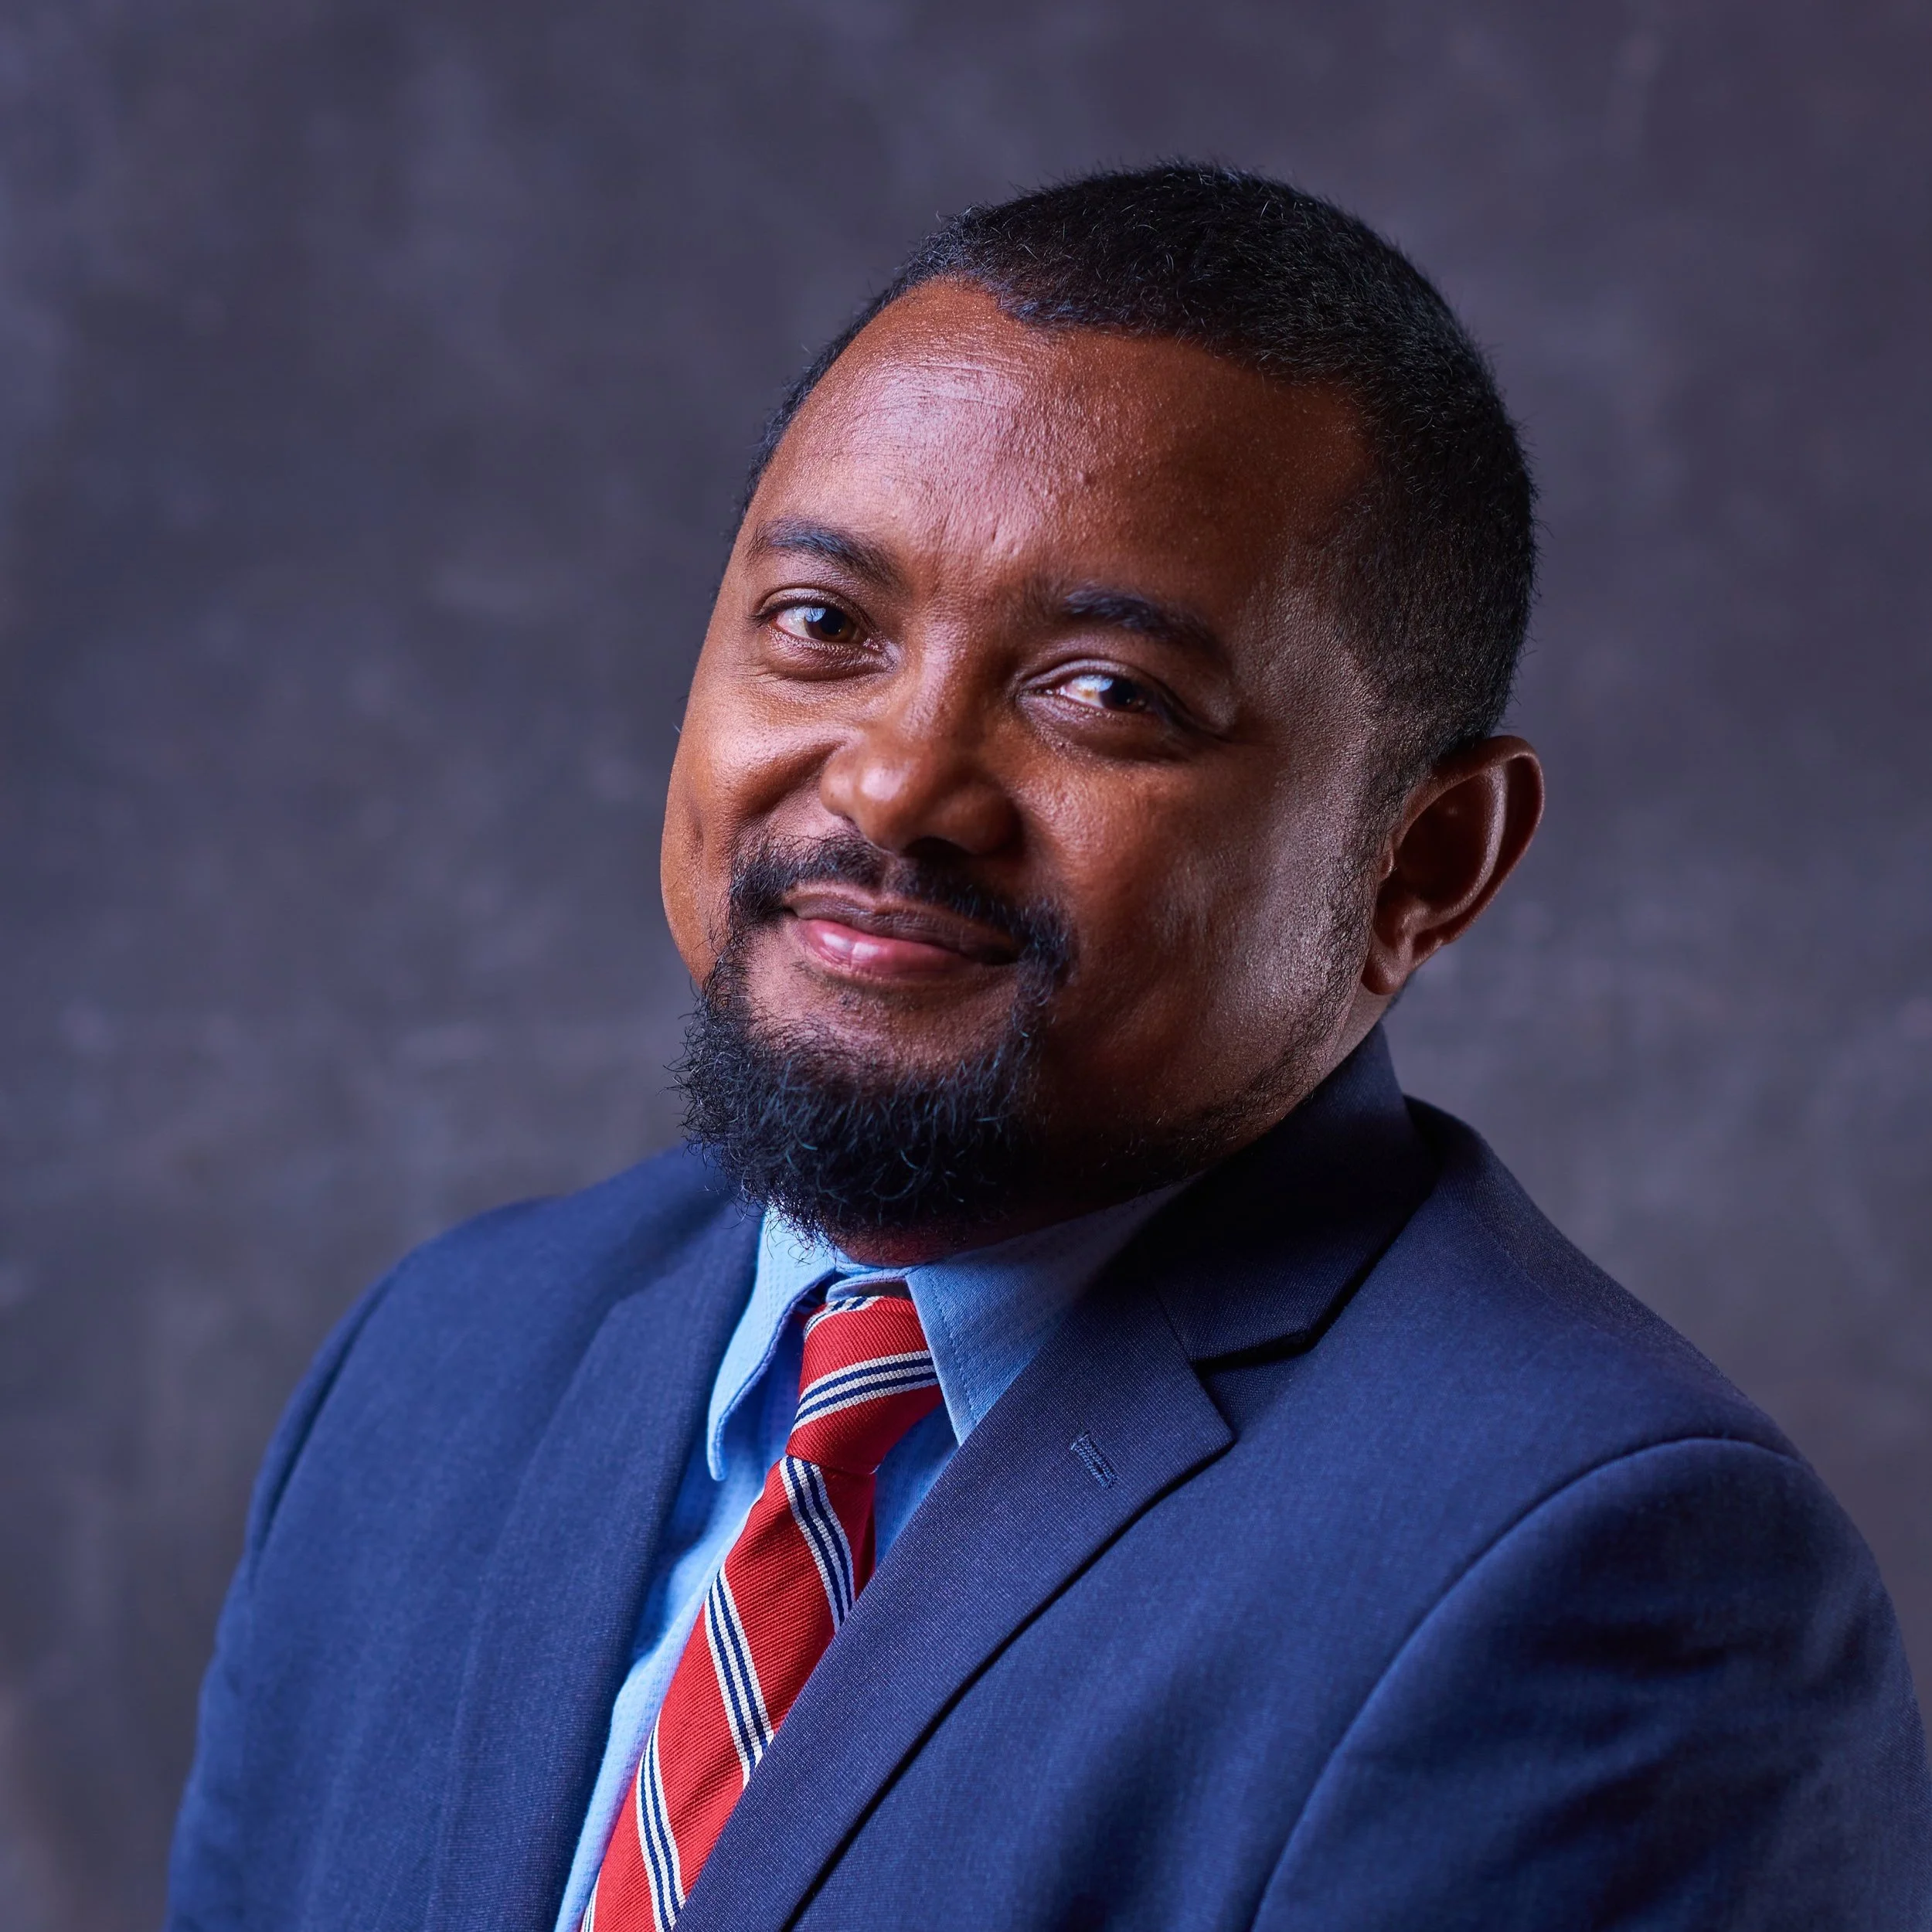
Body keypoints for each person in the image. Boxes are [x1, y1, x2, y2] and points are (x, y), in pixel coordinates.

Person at [166, 165, 1931, 1932]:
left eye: (1102, 693)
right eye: (824, 627)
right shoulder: (434, 1368)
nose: (893, 780)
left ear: (1421, 862)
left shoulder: (1601, 1572)